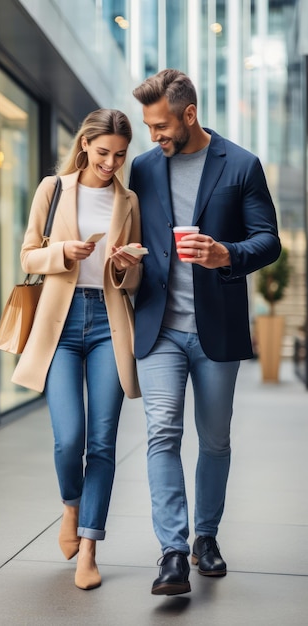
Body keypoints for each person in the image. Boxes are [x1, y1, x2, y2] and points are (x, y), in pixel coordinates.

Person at [129, 69, 281, 596]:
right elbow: (129, 233)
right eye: (149, 127)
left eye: (160, 125)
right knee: (162, 432)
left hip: (216, 329)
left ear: (188, 114)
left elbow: (269, 241)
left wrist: (227, 254)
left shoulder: (241, 165)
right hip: (159, 328)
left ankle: (205, 538)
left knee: (214, 441)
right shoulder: (144, 169)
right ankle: (172, 551)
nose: (154, 136)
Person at [12, 109, 143, 590]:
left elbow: (136, 278)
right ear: (85, 144)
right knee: (69, 439)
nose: (111, 163)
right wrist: (63, 252)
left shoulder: (128, 199)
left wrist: (123, 264)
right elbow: (27, 254)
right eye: (103, 152)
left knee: (102, 441)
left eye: (120, 155)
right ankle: (71, 504)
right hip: (61, 325)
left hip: (109, 325)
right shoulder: (54, 189)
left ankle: (89, 546)